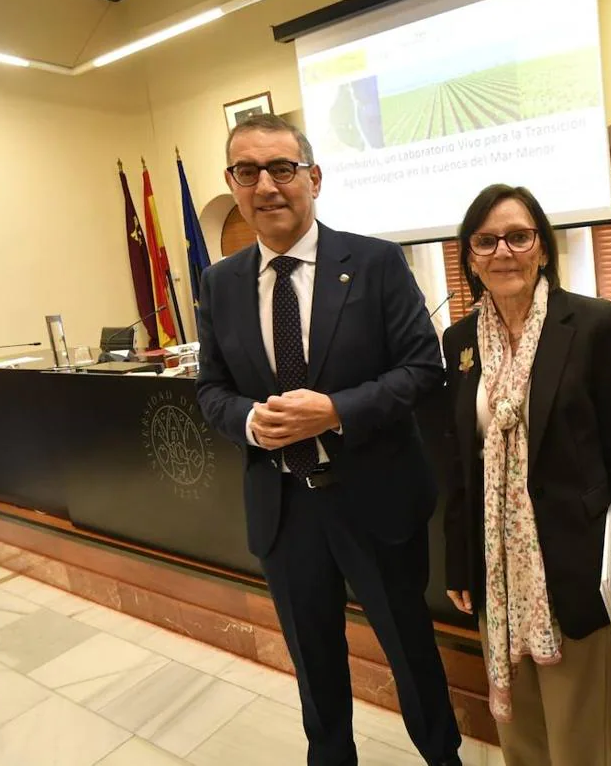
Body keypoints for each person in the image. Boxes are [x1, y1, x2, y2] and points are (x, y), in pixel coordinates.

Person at [195, 114, 463, 766]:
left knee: (410, 653)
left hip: (375, 500)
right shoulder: (220, 282)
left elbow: (423, 370)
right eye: (247, 171)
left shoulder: (373, 262)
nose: (266, 185)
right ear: (232, 184)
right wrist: (252, 423)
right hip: (284, 509)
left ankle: (442, 757)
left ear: (313, 178)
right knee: (314, 661)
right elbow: (211, 390)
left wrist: (335, 411)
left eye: (281, 168)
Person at [441, 184, 611, 766]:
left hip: (575, 563)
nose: (502, 252)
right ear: (469, 256)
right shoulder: (461, 343)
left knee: (579, 734)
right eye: (485, 241)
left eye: (518, 235)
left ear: (542, 247)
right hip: (497, 572)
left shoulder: (590, 324)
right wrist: (458, 562)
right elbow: (461, 464)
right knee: (523, 739)